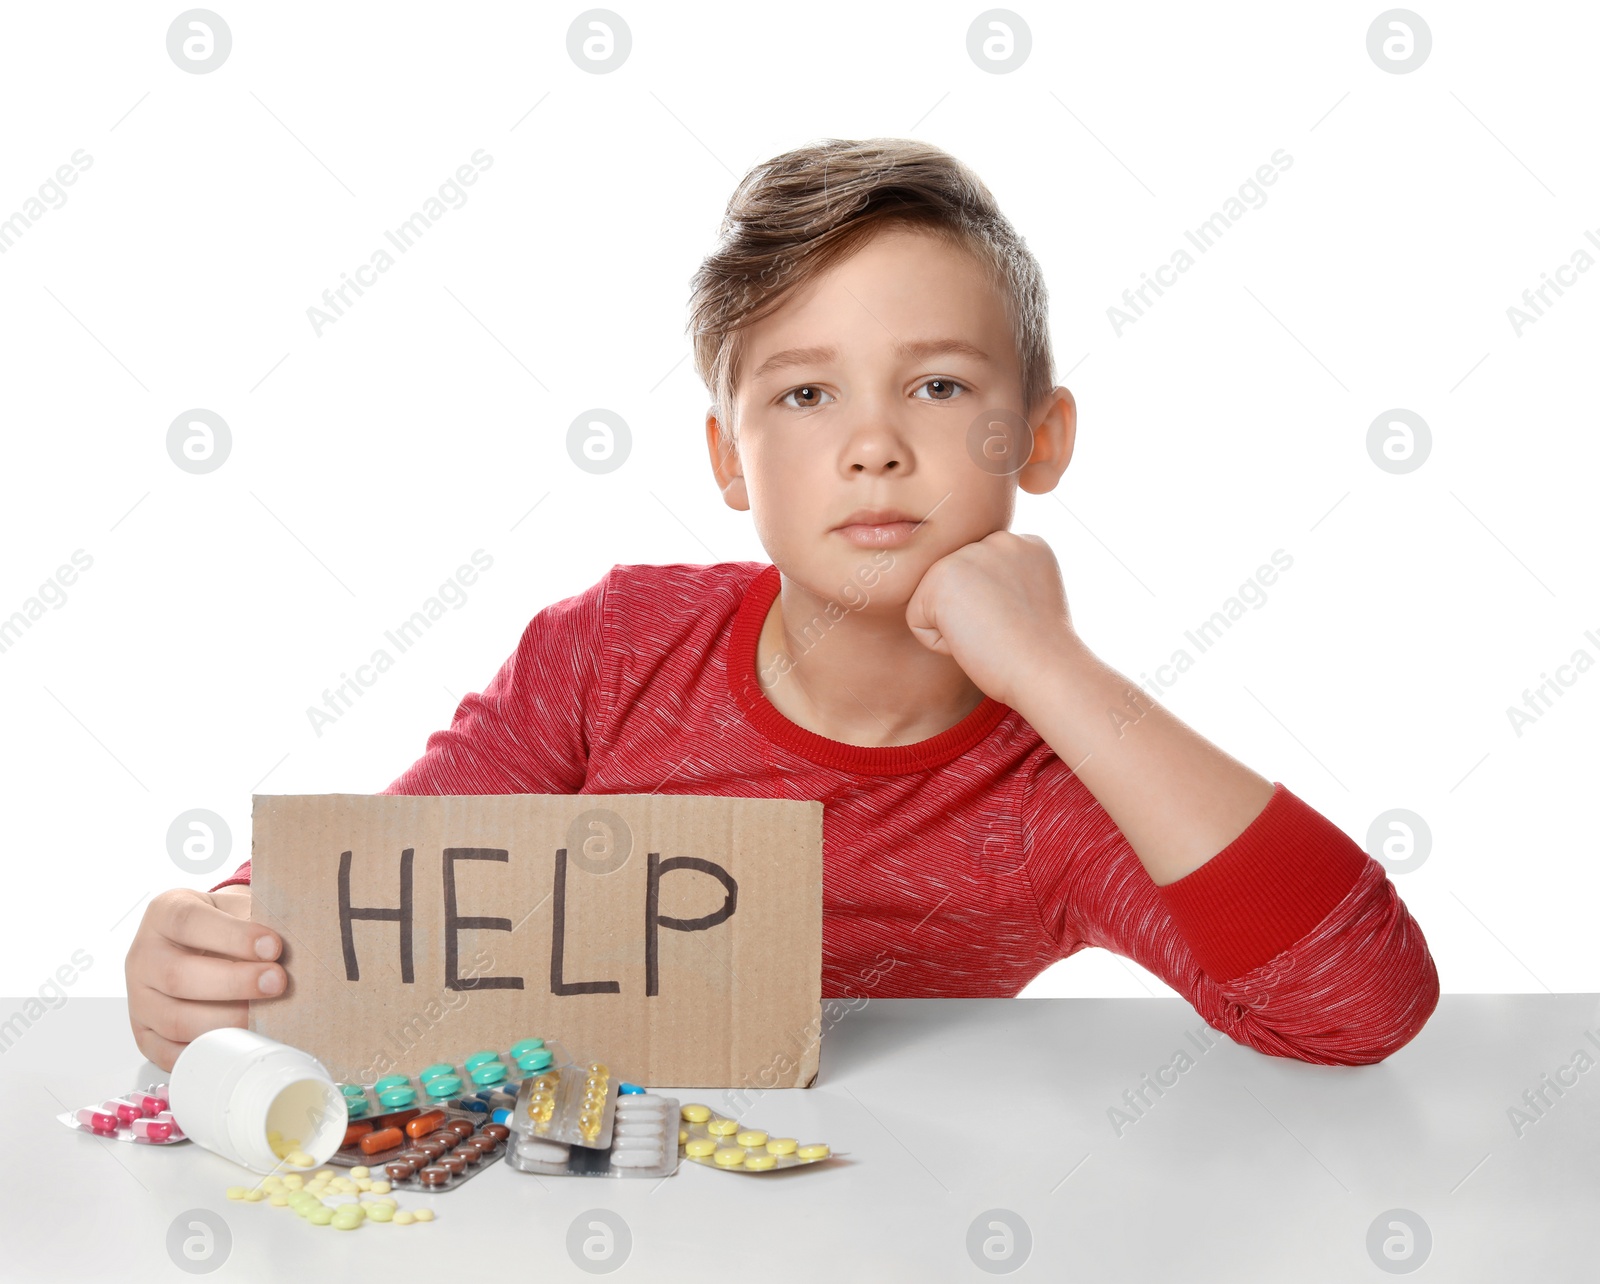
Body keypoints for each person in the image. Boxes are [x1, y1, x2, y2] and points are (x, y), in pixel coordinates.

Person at [126, 137, 1439, 1072]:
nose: (872, 445)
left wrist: (1053, 669)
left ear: (1038, 439)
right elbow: (398, 872)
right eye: (807, 395)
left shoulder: (1058, 795)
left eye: (935, 387)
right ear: (727, 460)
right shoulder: (616, 648)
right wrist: (224, 932)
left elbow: (1359, 1008)